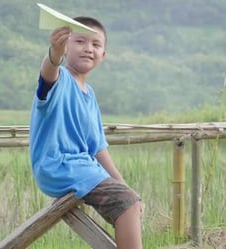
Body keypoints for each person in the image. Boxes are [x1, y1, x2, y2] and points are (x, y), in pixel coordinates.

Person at [29, 16, 143, 249]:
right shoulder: (60, 80)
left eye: (96, 44)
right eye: (80, 41)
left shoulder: (89, 95)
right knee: (126, 201)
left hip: (83, 167)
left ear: (104, 54)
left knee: (130, 198)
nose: (88, 49)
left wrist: (123, 184)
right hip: (57, 166)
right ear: (66, 45)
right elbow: (49, 71)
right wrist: (54, 52)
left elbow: (98, 147)